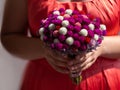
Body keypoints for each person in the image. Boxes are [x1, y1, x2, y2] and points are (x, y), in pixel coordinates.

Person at [1, 0, 120, 89]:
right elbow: (10, 36)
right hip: (45, 83)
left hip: (105, 82)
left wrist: (101, 47)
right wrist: (44, 49)